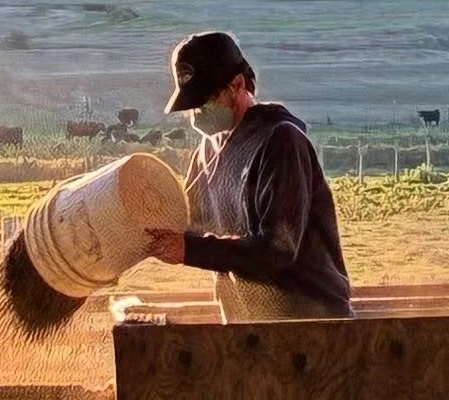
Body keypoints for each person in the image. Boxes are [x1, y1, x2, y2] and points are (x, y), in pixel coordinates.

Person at [145, 31, 352, 321]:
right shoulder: (207, 152)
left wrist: (190, 250)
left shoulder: (281, 142)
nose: (197, 114)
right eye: (192, 106)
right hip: (246, 320)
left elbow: (277, 250)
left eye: (206, 100)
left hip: (307, 320)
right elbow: (188, 222)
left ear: (238, 85)